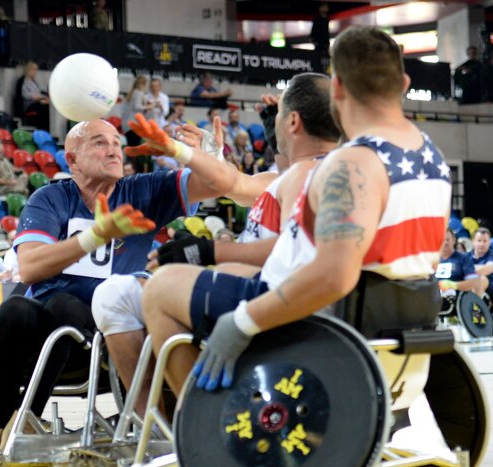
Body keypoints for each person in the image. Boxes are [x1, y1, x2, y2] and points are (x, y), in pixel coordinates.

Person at [143, 25, 451, 396]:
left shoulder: (351, 165)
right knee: (224, 269)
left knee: (159, 290)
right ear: (403, 83)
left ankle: (200, 428)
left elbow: (334, 276)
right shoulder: (431, 156)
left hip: (313, 322)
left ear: (337, 89)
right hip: (400, 324)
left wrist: (242, 322)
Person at [93, 73, 340, 411]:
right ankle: (160, 420)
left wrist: (205, 251)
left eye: (280, 114)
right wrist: (209, 157)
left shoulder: (306, 175)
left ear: (294, 122)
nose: (273, 122)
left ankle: (195, 419)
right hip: (261, 289)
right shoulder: (285, 177)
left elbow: (291, 251)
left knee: (134, 295)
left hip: (273, 303)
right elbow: (234, 184)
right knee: (124, 294)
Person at [0, 117, 222, 449]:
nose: (114, 151)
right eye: (100, 143)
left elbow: (214, 185)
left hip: (112, 328)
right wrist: (95, 236)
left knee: (67, 306)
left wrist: (210, 155)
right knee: (13, 309)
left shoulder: (142, 191)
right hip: (49, 319)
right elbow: (30, 267)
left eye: (117, 144)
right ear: (72, 159)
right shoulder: (51, 198)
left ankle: (27, 417)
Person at [436, 228, 486, 297]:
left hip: (455, 298)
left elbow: (473, 282)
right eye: (442, 239)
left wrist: (454, 285)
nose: (445, 242)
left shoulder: (464, 259)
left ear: (454, 240)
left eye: (447, 239)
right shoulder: (433, 260)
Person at [470, 227, 493, 298]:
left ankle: (476, 306)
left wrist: (465, 270)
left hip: (491, 292)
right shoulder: (466, 256)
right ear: (473, 242)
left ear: (489, 242)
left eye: (485, 241)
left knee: (481, 279)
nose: (482, 244)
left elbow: (486, 270)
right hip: (469, 286)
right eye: (479, 241)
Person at [121, 77, 153, 147]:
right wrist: (149, 107)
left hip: (127, 124)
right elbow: (137, 107)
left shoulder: (132, 93)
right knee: (135, 146)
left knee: (130, 145)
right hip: (134, 124)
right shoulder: (138, 93)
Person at [20, 62, 49, 129]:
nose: (36, 71)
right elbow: (26, 95)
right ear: (29, 70)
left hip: (37, 102)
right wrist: (41, 98)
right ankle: (42, 128)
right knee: (43, 108)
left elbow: (38, 94)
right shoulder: (24, 82)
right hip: (29, 105)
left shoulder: (34, 82)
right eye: (34, 69)